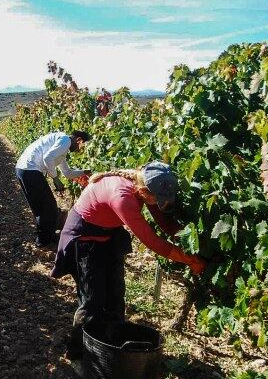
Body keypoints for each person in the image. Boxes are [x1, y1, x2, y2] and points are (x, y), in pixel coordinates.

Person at [51, 161, 206, 360]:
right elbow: (152, 241)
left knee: (116, 294)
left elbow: (165, 223)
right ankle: (76, 352)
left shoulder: (146, 187)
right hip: (84, 239)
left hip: (108, 235)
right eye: (157, 199)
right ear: (143, 191)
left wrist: (191, 242)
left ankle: (112, 345)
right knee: (92, 300)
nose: (161, 202)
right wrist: (190, 260)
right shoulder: (122, 197)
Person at [15, 131, 90, 247]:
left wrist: (84, 172)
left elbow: (67, 173)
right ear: (78, 139)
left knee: (40, 205)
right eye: (81, 145)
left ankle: (45, 237)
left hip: (23, 169)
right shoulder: (65, 140)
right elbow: (47, 158)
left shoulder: (61, 148)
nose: (80, 149)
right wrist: (55, 179)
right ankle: (43, 240)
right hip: (30, 170)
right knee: (48, 206)